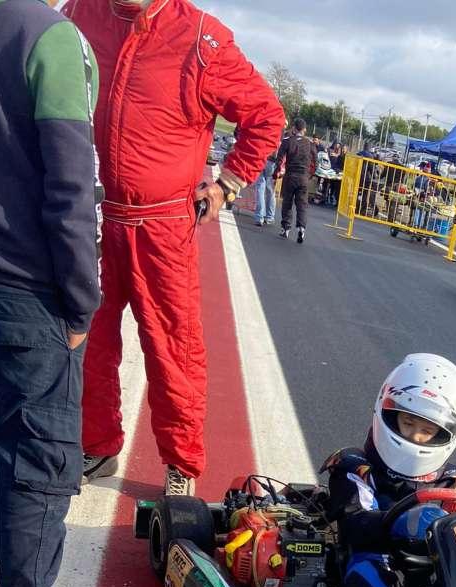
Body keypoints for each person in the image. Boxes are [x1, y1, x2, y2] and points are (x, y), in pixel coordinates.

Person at [66, 0, 284, 497]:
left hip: (163, 228)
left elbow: (265, 116)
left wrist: (227, 184)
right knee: (87, 338)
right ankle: (96, 443)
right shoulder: (79, 11)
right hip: (91, 215)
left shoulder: (202, 38)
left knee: (173, 353)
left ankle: (181, 463)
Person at [0, 0, 109, 587]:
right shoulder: (49, 37)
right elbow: (71, 186)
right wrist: (81, 298)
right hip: (25, 284)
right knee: (38, 449)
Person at [322, 354, 456, 587]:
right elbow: (355, 526)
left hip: (436, 572)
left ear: (445, 433)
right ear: (389, 413)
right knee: (367, 570)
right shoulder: (355, 466)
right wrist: (407, 523)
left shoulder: (453, 481)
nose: (415, 436)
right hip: (375, 558)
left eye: (427, 430)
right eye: (408, 423)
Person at [275, 118, 316, 243]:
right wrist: (310, 175)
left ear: (294, 128)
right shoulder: (310, 144)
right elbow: (315, 162)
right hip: (303, 177)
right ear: (305, 130)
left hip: (290, 176)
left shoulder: (287, 141)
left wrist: (277, 172)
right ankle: (301, 228)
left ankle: (285, 228)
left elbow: (280, 159)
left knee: (287, 202)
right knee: (302, 204)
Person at [254, 152, 277, 226]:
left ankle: (259, 217)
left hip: (261, 159)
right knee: (270, 191)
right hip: (273, 162)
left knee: (260, 189)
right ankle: (269, 217)